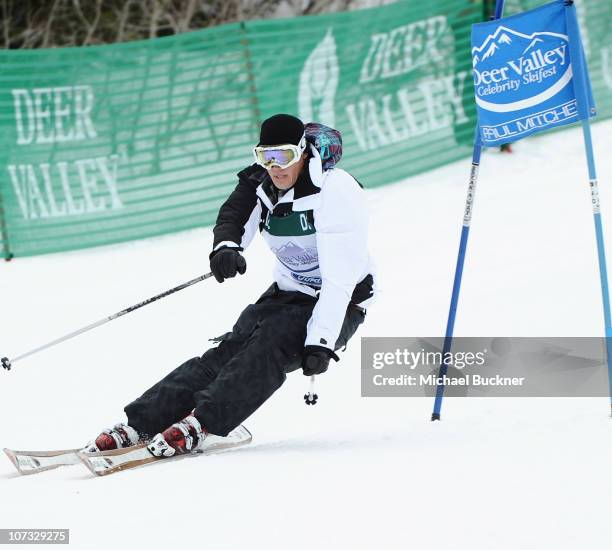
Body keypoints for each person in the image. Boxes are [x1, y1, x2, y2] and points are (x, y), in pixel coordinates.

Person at [86, 114, 376, 457]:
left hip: (341, 302)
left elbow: (340, 278)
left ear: (302, 152)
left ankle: (204, 423)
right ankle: (141, 423)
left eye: (283, 156)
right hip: (287, 293)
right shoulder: (262, 183)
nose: (274, 167)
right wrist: (226, 248)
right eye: (264, 157)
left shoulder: (335, 190)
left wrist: (321, 341)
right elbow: (234, 216)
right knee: (227, 353)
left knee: (268, 346)